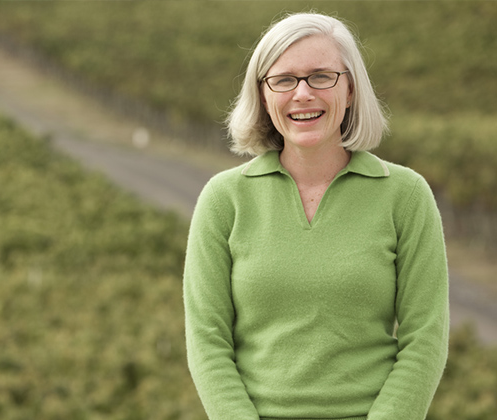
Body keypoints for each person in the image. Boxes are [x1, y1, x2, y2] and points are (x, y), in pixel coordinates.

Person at [183, 12, 449, 420]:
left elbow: (425, 338)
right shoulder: (224, 199)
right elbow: (206, 340)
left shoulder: (406, 195)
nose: (302, 93)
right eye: (284, 79)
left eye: (321, 76)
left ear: (351, 88)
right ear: (264, 94)